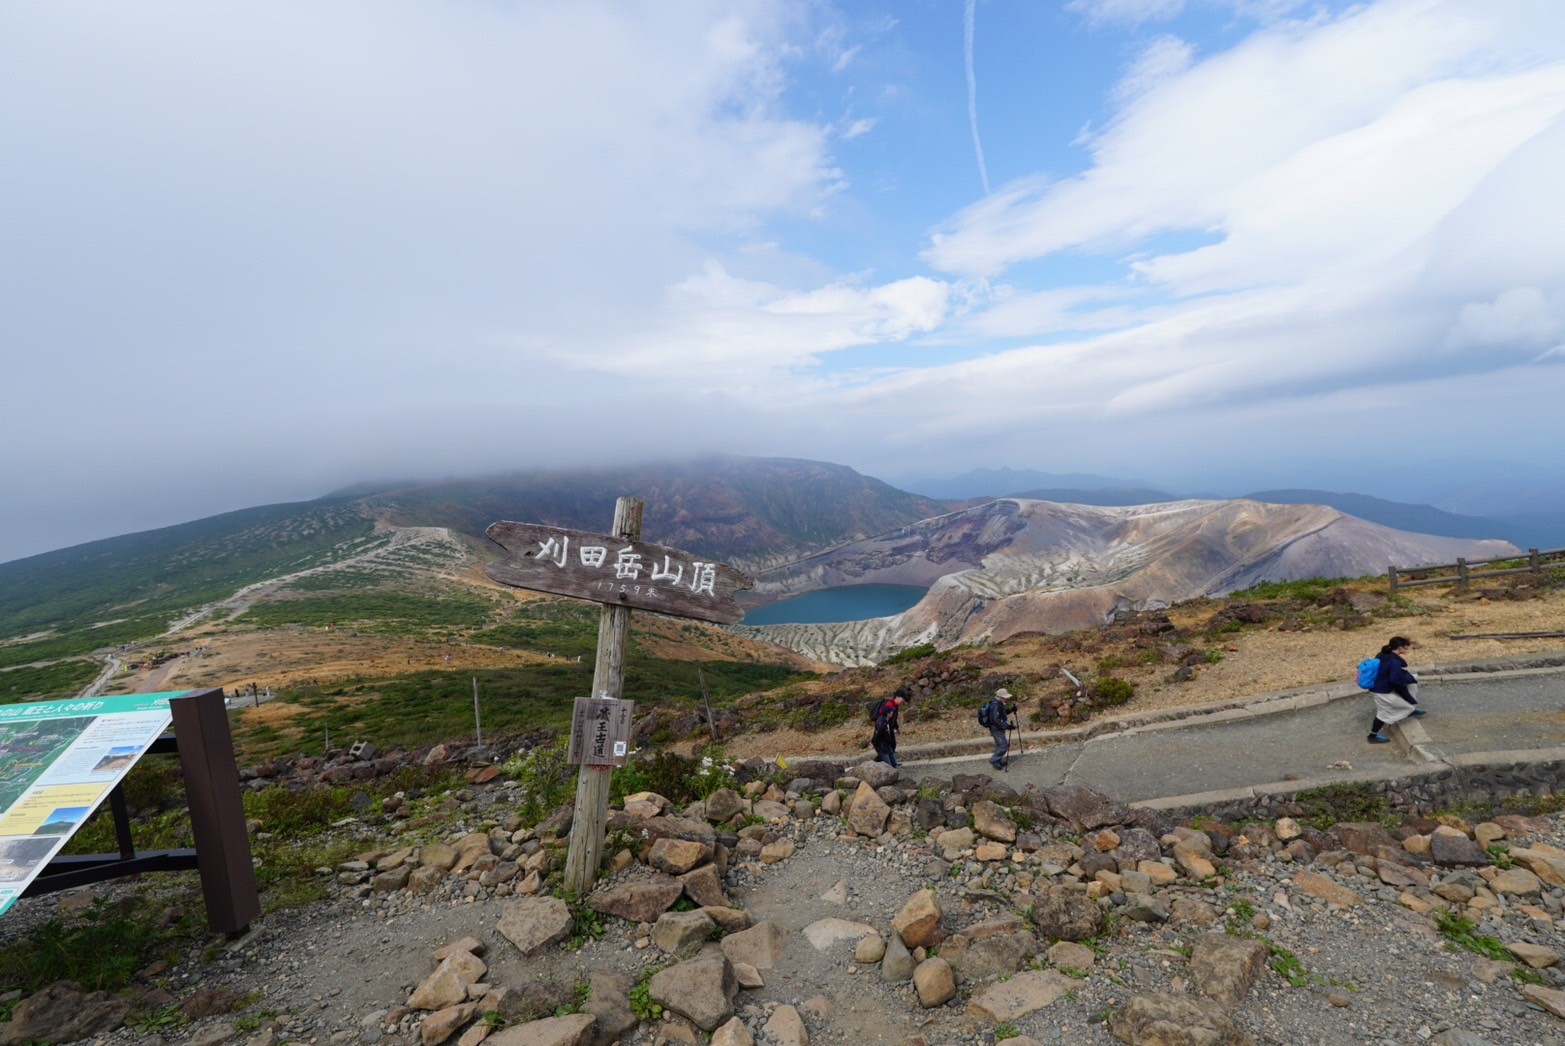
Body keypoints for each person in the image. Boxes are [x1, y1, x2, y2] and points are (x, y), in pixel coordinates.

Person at [1367, 636, 1424, 744]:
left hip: (1379, 685)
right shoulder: (1395, 662)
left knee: (1411, 685)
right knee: (1385, 713)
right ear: (1399, 648)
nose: (1407, 650)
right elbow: (1394, 680)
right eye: (1406, 648)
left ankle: (1410, 710)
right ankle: (1372, 736)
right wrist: (1405, 689)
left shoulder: (1383, 654)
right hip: (1381, 690)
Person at [984, 687, 1018, 770]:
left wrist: (1011, 710)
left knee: (1001, 745)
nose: (1008, 699)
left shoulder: (997, 703)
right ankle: (994, 760)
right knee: (1004, 745)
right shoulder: (995, 705)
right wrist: (1007, 726)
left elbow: (1001, 714)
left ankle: (998, 760)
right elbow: (997, 720)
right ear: (1002, 697)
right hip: (996, 729)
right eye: (1006, 697)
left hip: (997, 728)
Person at [872, 694, 906, 767]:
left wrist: (897, 728)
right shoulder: (888, 707)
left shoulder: (894, 708)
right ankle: (879, 762)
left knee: (891, 745)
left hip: (888, 729)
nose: (892, 713)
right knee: (885, 748)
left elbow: (894, 719)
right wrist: (873, 743)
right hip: (885, 732)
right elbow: (878, 733)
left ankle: (893, 763)